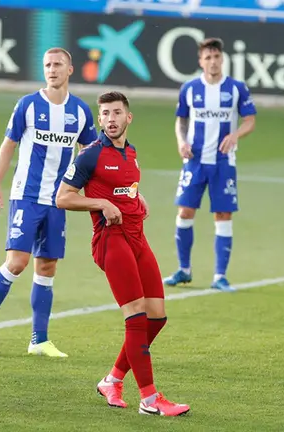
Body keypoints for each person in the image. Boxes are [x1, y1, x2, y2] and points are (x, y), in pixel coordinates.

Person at [56, 91, 189, 416]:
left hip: (137, 239)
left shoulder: (131, 153)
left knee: (157, 316)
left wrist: (135, 199)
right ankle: (149, 400)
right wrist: (101, 204)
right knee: (136, 316)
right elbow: (62, 197)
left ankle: (112, 380)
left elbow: (124, 186)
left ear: (128, 117)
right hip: (110, 241)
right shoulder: (90, 155)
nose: (111, 119)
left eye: (117, 113)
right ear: (100, 119)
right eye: (105, 114)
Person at [0, 47, 97, 357]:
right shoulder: (28, 105)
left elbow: (91, 154)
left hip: (58, 201)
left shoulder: (80, 111)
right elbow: (7, 147)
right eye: (47, 65)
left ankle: (39, 340)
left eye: (58, 64)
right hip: (26, 196)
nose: (52, 69)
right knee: (18, 262)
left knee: (47, 265)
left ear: (70, 69)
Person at [163, 37, 257, 291]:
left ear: (222, 59)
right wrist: (181, 141)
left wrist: (236, 135)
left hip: (224, 162)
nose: (213, 62)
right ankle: (184, 270)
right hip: (194, 162)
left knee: (223, 215)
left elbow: (250, 119)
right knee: (184, 212)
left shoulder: (236, 88)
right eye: (208, 57)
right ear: (200, 61)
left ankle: (220, 276)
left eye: (216, 57)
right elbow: (181, 119)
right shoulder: (190, 89)